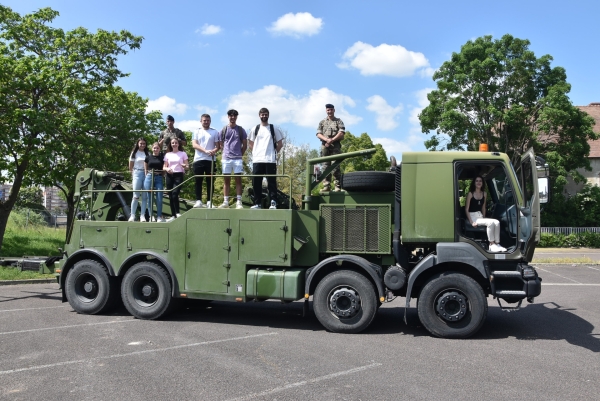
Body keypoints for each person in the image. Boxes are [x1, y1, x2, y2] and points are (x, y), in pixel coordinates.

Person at [248, 108, 283, 209]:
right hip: (257, 160)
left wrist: (274, 152)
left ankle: (273, 202)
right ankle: (257, 203)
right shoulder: (255, 128)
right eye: (262, 114)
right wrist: (256, 153)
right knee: (256, 182)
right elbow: (250, 143)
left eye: (265, 114)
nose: (264, 116)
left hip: (270, 160)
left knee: (271, 182)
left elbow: (280, 144)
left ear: (268, 115)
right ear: (259, 115)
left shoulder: (273, 128)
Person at [465, 176, 507, 252]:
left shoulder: (484, 193)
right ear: (474, 183)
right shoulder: (470, 194)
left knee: (497, 222)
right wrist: (471, 222)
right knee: (491, 223)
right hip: (473, 216)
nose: (478, 182)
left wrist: (484, 218)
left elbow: (483, 207)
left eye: (480, 181)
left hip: (480, 216)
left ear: (482, 183)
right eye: (477, 181)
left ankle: (497, 243)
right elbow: (466, 209)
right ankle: (491, 244)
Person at [218, 109, 247, 209]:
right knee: (226, 180)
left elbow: (245, 144)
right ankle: (225, 201)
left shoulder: (240, 129)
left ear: (236, 117)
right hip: (226, 158)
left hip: (237, 159)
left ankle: (239, 201)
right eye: (231, 115)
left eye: (234, 116)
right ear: (228, 117)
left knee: (238, 180)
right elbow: (221, 144)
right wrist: (226, 153)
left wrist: (240, 154)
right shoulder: (224, 129)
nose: (232, 117)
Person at [192, 114, 219, 208]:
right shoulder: (196, 131)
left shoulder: (215, 132)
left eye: (208, 120)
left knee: (210, 181)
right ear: (201, 121)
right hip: (198, 159)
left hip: (210, 160)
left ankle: (209, 201)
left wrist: (213, 151)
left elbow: (218, 146)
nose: (206, 122)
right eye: (204, 120)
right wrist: (205, 150)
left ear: (210, 121)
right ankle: (198, 200)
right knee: (198, 180)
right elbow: (194, 144)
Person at [316, 103, 345, 191]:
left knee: (335, 166)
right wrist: (326, 139)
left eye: (331, 110)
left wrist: (332, 139)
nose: (329, 111)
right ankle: (326, 185)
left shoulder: (338, 121)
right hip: (325, 145)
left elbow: (341, 132)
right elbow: (318, 134)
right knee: (325, 166)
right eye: (328, 110)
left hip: (335, 145)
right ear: (326, 111)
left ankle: (337, 185)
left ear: (334, 110)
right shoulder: (322, 122)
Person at [163, 138, 189, 221]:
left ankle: (177, 212)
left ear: (178, 144)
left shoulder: (183, 153)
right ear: (170, 144)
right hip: (169, 175)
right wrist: (167, 169)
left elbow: (187, 166)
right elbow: (164, 166)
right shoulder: (167, 154)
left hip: (179, 175)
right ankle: (173, 215)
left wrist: (185, 166)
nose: (174, 144)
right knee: (170, 196)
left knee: (175, 194)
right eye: (172, 143)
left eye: (176, 143)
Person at [128, 138, 149, 222]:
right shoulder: (134, 153)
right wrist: (132, 174)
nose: (142, 145)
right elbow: (130, 166)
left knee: (145, 197)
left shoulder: (147, 153)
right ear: (138, 144)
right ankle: (132, 215)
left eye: (144, 143)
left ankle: (142, 215)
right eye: (141, 143)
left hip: (146, 174)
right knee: (136, 195)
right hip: (137, 173)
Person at [144, 142, 166, 222]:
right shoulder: (148, 157)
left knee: (159, 197)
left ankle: (159, 216)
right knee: (149, 197)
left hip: (159, 177)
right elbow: (145, 166)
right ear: (152, 148)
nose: (156, 149)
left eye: (157, 148)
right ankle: (151, 216)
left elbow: (164, 168)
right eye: (154, 148)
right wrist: (147, 174)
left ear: (159, 149)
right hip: (149, 177)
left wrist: (161, 174)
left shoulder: (162, 157)